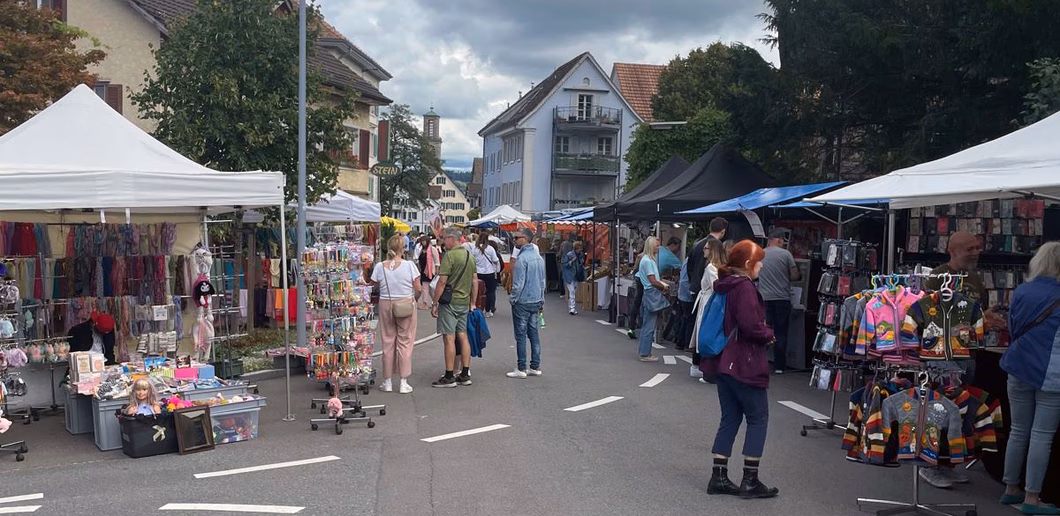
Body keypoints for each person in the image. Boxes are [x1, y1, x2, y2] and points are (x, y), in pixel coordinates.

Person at [922, 230, 1008, 488]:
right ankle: (930, 466)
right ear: (953, 250)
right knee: (940, 411)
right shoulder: (937, 277)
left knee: (959, 414)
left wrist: (985, 319)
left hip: (968, 353)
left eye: (977, 247)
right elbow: (932, 320)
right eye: (970, 248)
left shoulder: (974, 280)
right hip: (942, 354)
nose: (976, 252)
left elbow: (975, 314)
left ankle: (946, 465)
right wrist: (980, 321)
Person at [702, 240, 778, 499]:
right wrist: (768, 333)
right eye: (759, 261)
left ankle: (719, 475)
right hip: (744, 361)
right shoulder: (744, 287)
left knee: (730, 418)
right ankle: (750, 479)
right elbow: (751, 327)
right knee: (758, 418)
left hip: (722, 359)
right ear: (747, 264)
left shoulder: (724, 284)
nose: (761, 266)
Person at [998, 242, 1060, 515]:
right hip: (1051, 372)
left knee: (1018, 430)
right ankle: (1032, 498)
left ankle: (1011, 489)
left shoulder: (1022, 291)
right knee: (1042, 436)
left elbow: (1013, 328)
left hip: (1017, 365)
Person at [371, 234, 422, 394]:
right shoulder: (409, 265)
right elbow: (418, 288)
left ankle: (387, 381)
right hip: (406, 303)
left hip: (386, 303)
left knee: (387, 341)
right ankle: (403, 381)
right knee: (405, 341)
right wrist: (414, 299)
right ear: (403, 248)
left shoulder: (380, 266)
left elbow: (372, 286)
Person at [430, 228, 478, 388]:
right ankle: (465, 373)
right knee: (463, 336)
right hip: (464, 302)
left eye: (444, 239)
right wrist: (473, 302)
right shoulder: (469, 256)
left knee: (449, 338)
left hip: (449, 302)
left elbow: (442, 282)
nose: (443, 242)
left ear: (452, 239)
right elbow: (474, 281)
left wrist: (435, 303)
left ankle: (449, 375)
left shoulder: (449, 256)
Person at [757, 228, 801, 374]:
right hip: (782, 298)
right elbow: (795, 275)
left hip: (764, 298)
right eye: (783, 241)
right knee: (781, 331)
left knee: (764, 329)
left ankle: (759, 361)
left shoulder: (760, 254)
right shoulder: (786, 255)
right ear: (779, 240)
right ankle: (779, 366)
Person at [507, 228, 546, 378]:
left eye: (516, 238)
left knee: (521, 335)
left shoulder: (522, 259)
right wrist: (542, 299)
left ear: (525, 239)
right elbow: (542, 282)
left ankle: (521, 367)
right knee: (534, 334)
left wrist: (513, 299)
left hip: (523, 300)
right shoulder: (539, 258)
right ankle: (535, 366)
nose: (514, 240)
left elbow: (518, 284)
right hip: (536, 299)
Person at [690, 239, 728, 372]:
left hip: (708, 301)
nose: (703, 250)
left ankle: (700, 365)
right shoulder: (721, 267)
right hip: (711, 301)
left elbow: (714, 285)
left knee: (703, 332)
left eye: (706, 248)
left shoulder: (711, 267)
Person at [636, 236, 670, 362]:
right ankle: (645, 353)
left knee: (647, 323)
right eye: (657, 245)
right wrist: (663, 286)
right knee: (649, 325)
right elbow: (652, 281)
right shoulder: (648, 261)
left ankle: (644, 352)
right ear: (651, 246)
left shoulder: (646, 260)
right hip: (652, 293)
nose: (659, 247)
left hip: (649, 293)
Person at [688, 217, 729, 301]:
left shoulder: (697, 244)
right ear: (723, 231)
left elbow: (689, 266)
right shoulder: (717, 246)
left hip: (695, 286)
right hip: (707, 289)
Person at [472, 232, 501, 318]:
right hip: (489, 273)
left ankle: (477, 308)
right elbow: (495, 260)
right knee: (490, 292)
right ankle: (488, 310)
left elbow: (472, 260)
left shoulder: (474, 249)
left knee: (477, 291)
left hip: (477, 273)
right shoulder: (490, 248)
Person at [562, 241, 585, 316]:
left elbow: (581, 264)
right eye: (578, 249)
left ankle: (571, 307)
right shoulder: (569, 255)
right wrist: (571, 261)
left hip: (576, 275)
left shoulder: (581, 255)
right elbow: (565, 265)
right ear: (575, 249)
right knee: (572, 291)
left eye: (580, 249)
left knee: (574, 291)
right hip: (569, 275)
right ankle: (572, 308)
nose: (580, 250)